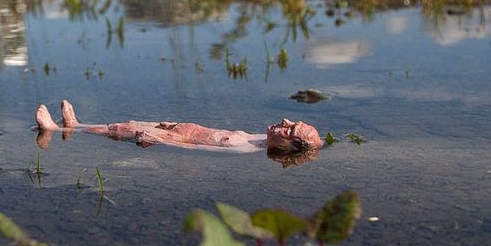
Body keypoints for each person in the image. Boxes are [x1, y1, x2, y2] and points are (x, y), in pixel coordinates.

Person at [34, 100, 323, 166]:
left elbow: (195, 147)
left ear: (289, 146)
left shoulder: (246, 148)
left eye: (289, 128)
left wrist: (160, 139)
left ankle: (56, 129)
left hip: (174, 137)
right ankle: (76, 125)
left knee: (121, 129)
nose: (283, 120)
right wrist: (173, 125)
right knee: (128, 121)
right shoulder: (254, 138)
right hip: (176, 128)